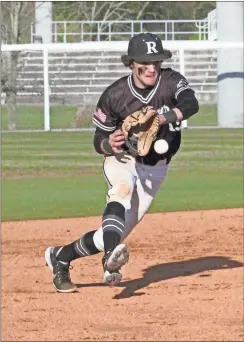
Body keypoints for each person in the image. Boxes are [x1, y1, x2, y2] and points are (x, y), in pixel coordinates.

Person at [45, 32, 199, 293]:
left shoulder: (171, 81)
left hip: (156, 167)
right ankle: (110, 264)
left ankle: (60, 256)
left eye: (156, 62)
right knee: (122, 190)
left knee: (112, 235)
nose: (151, 68)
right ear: (131, 63)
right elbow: (99, 140)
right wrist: (110, 143)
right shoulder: (115, 94)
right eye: (144, 63)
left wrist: (162, 119)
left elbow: (191, 103)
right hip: (123, 158)